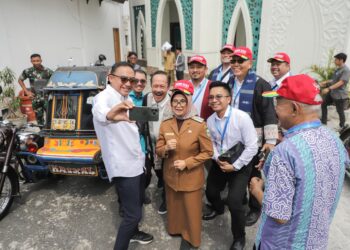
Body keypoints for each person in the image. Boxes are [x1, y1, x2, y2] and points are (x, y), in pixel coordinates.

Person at [251, 74, 349, 249]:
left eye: (277, 105)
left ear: (295, 108)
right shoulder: (334, 140)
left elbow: (279, 214)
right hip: (316, 243)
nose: (274, 111)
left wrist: (257, 190)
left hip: (281, 244)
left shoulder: (285, 152)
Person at [92, 62, 153, 250]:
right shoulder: (104, 97)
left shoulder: (125, 97)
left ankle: (134, 232)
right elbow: (101, 112)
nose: (128, 83)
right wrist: (110, 115)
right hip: (124, 167)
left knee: (137, 205)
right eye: (124, 79)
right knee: (132, 215)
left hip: (137, 162)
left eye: (131, 80)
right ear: (110, 77)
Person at [156, 80, 213, 249]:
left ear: (188, 103)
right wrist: (166, 148)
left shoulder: (199, 125)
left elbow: (208, 152)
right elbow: (158, 148)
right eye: (175, 101)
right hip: (171, 176)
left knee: (192, 210)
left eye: (182, 101)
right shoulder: (166, 123)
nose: (178, 105)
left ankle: (191, 238)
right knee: (174, 207)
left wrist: (187, 162)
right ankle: (176, 230)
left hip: (191, 177)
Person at [226, 47, 278, 226]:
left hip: (254, 138)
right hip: (233, 137)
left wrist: (270, 141)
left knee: (253, 172)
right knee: (237, 169)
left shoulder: (262, 84)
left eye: (241, 61)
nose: (236, 64)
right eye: (233, 61)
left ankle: (255, 206)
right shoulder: (229, 82)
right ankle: (239, 200)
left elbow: (269, 112)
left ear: (250, 62)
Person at [204, 81, 258, 250]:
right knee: (211, 192)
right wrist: (215, 157)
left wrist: (235, 166)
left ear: (229, 98)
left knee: (235, 202)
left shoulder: (242, 118)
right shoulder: (210, 120)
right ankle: (219, 209)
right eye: (211, 97)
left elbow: (252, 146)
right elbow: (211, 142)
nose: (214, 100)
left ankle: (239, 237)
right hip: (221, 161)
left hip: (240, 164)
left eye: (219, 96)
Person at [141, 70, 172, 215]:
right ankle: (161, 180)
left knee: (168, 175)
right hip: (152, 146)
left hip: (169, 147)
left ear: (168, 87)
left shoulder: (175, 101)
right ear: (150, 85)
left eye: (162, 86)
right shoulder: (147, 98)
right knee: (157, 170)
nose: (158, 90)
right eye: (155, 86)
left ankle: (167, 200)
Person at [18, 53, 53, 124]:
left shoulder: (48, 71)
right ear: (31, 61)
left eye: (37, 60)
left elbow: (55, 79)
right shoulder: (28, 71)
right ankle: (42, 133)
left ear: (41, 61)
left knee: (51, 116)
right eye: (34, 61)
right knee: (39, 117)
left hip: (47, 98)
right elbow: (20, 80)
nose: (36, 62)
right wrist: (27, 92)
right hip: (35, 98)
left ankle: (50, 132)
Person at [320, 52, 350, 129]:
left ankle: (342, 126)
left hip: (339, 95)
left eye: (336, 60)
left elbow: (341, 82)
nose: (334, 61)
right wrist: (326, 82)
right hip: (332, 93)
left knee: (340, 111)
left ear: (341, 60)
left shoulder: (346, 70)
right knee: (323, 104)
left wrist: (328, 88)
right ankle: (323, 122)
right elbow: (334, 80)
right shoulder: (337, 69)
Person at [188, 55, 214, 120]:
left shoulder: (212, 86)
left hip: (205, 127)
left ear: (206, 69)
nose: (195, 70)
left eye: (199, 67)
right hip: (186, 126)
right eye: (192, 67)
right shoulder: (183, 86)